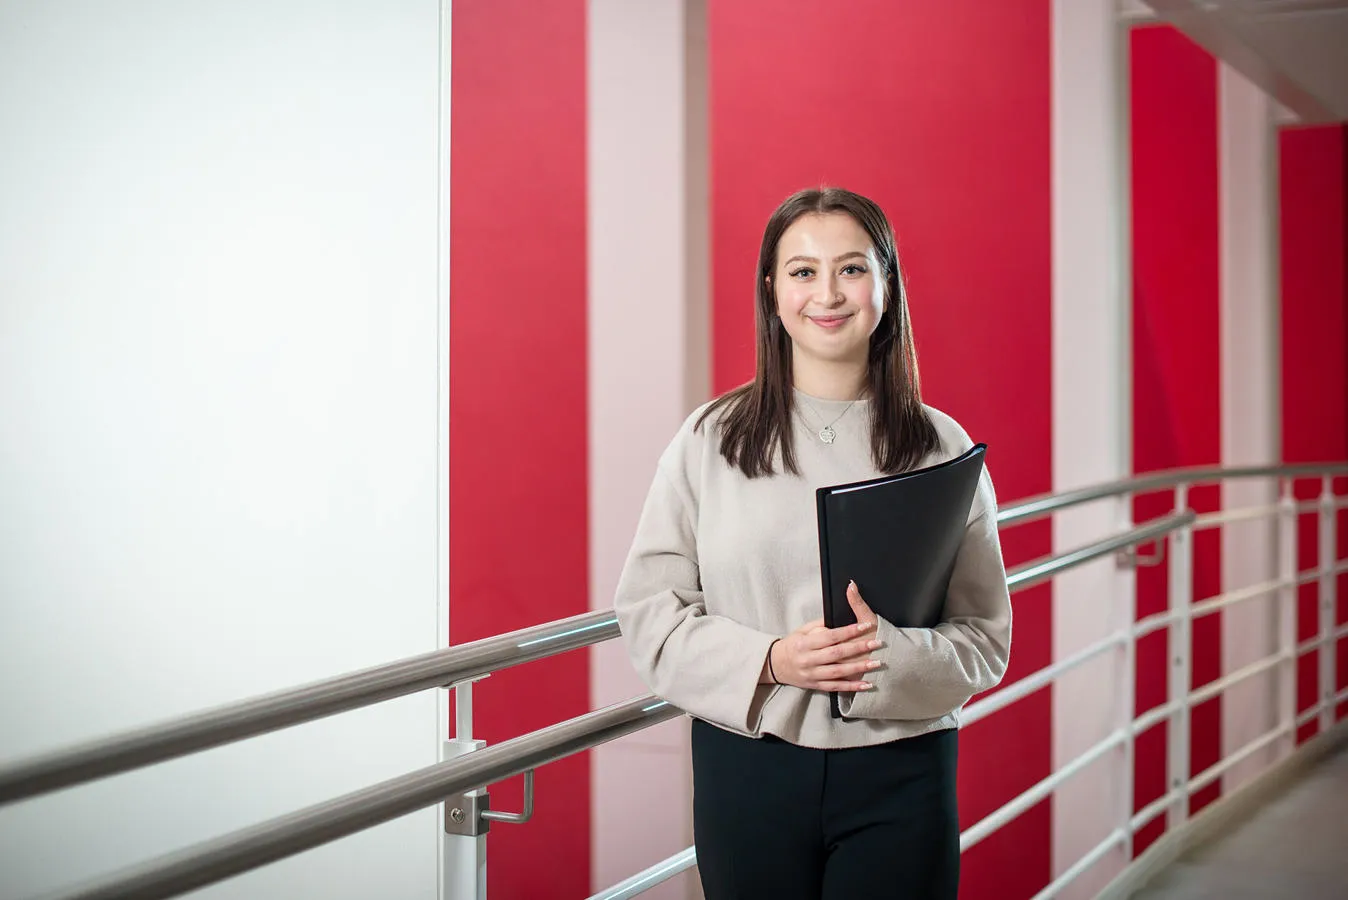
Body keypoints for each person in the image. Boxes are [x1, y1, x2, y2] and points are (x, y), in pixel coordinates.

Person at [611, 186, 1012, 899]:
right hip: (748, 770)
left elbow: (985, 640)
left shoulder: (940, 446)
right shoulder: (710, 440)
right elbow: (648, 614)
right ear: (772, 291)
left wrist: (883, 655)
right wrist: (772, 660)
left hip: (904, 772)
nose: (827, 293)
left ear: (887, 285)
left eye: (852, 269)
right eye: (802, 271)